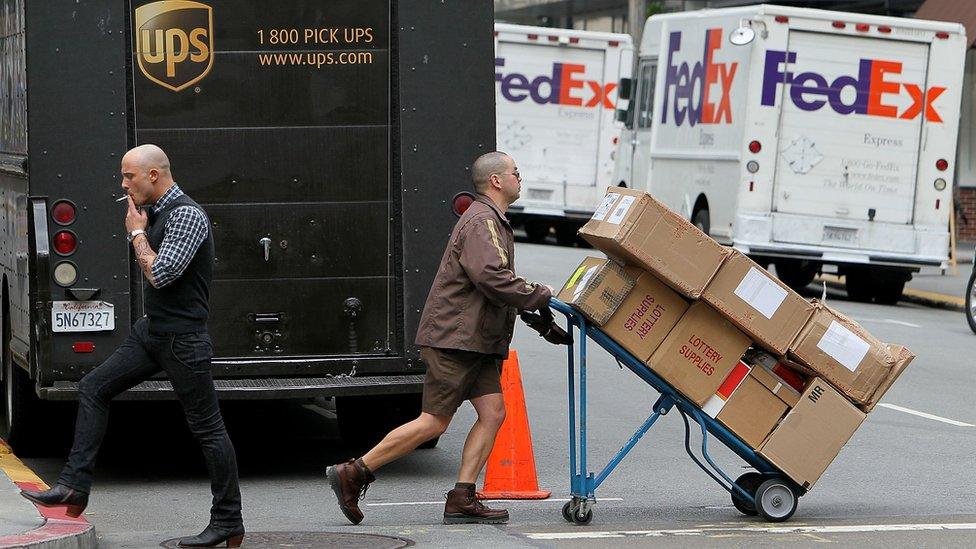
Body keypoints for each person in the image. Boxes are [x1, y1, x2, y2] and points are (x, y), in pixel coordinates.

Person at [20, 145, 245, 548]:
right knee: (93, 387)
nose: (123, 185)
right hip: (153, 332)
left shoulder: (186, 215)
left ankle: (228, 520)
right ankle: (73, 486)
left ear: (154, 176)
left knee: (208, 430)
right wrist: (141, 227)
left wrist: (137, 234)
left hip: (183, 340)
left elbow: (161, 273)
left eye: (129, 177)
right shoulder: (154, 211)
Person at [326, 151, 552, 525]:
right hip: (455, 340)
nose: (520, 177)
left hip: (473, 340)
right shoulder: (482, 221)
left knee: (493, 412)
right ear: (496, 181)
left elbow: (493, 285)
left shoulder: (490, 220)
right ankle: (354, 472)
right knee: (433, 421)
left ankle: (462, 497)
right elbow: (492, 277)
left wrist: (538, 316)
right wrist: (539, 293)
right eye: (515, 172)